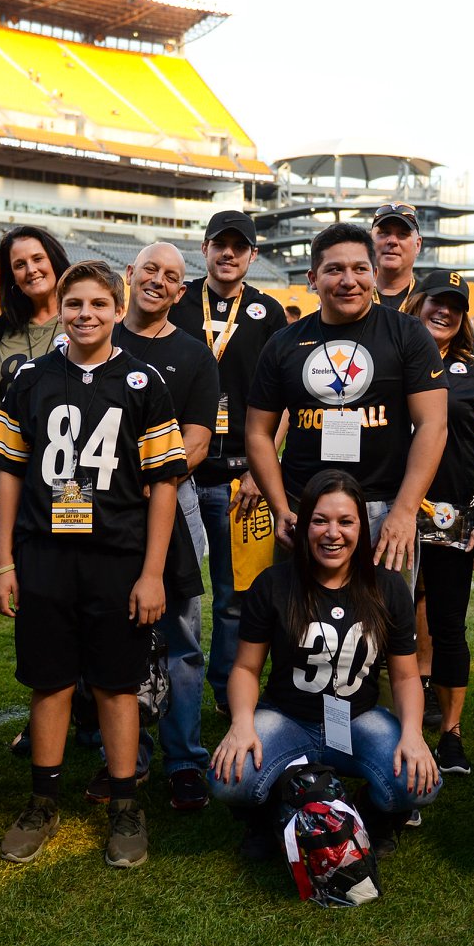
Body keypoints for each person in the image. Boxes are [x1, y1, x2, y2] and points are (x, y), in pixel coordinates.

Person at [0, 260, 189, 869]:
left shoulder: (144, 381)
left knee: (116, 682)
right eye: (75, 304)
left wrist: (153, 571)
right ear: (62, 307)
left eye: (99, 305)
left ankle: (126, 804)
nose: (85, 315)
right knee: (48, 679)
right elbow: (10, 471)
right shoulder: (29, 378)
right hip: (45, 551)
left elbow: (164, 486)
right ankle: (43, 799)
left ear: (117, 310)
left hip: (116, 555)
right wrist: (4, 560)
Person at [210, 469, 440, 856]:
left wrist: (413, 734)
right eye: (320, 520)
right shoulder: (275, 584)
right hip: (287, 717)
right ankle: (270, 814)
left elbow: (404, 677)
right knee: (229, 779)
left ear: (361, 529)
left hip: (357, 720)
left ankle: (370, 812)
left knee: (419, 784)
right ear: (303, 526)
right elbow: (246, 669)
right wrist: (241, 724)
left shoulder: (387, 586)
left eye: (345, 522)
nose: (332, 533)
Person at [245, 222, 448, 580]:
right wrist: (281, 508)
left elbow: (434, 424)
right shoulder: (283, 343)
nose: (348, 280)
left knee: (386, 626)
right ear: (312, 277)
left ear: (373, 273)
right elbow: (258, 432)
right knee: (298, 624)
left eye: (359, 269)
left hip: (385, 506)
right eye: (334, 269)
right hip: (304, 507)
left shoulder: (408, 333)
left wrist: (404, 510)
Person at [167, 208, 287, 714]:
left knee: (237, 596)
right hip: (184, 475)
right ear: (205, 248)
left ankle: (225, 691)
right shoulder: (177, 301)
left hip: (245, 480)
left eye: (240, 246)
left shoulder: (269, 311)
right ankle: (175, 688)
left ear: (253, 255)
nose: (229, 253)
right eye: (221, 243)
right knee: (179, 594)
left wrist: (264, 469)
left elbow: (284, 399)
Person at [114, 243, 220, 811]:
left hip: (171, 501)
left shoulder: (195, 355)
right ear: (129, 275)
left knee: (181, 638)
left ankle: (183, 757)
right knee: (112, 632)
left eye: (172, 277)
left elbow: (198, 440)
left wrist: (142, 480)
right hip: (102, 509)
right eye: (150, 269)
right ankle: (124, 754)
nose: (158, 281)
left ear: (182, 293)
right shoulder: (97, 338)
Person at [403, 270, 474, 775]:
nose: (444, 311)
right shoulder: (391, 360)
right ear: (418, 302)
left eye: (455, 305)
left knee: (448, 626)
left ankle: (451, 733)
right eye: (436, 302)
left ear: (464, 316)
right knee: (389, 620)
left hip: (453, 519)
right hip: (395, 516)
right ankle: (389, 722)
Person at [0, 225, 70, 396]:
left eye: (38, 258)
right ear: (12, 276)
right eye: (20, 265)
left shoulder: (84, 324)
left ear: (54, 260)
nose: (31, 270)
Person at [370, 202, 421, 312]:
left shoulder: (429, 300)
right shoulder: (352, 296)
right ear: (370, 241)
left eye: (402, 234)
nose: (392, 241)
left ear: (417, 245)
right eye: (384, 232)